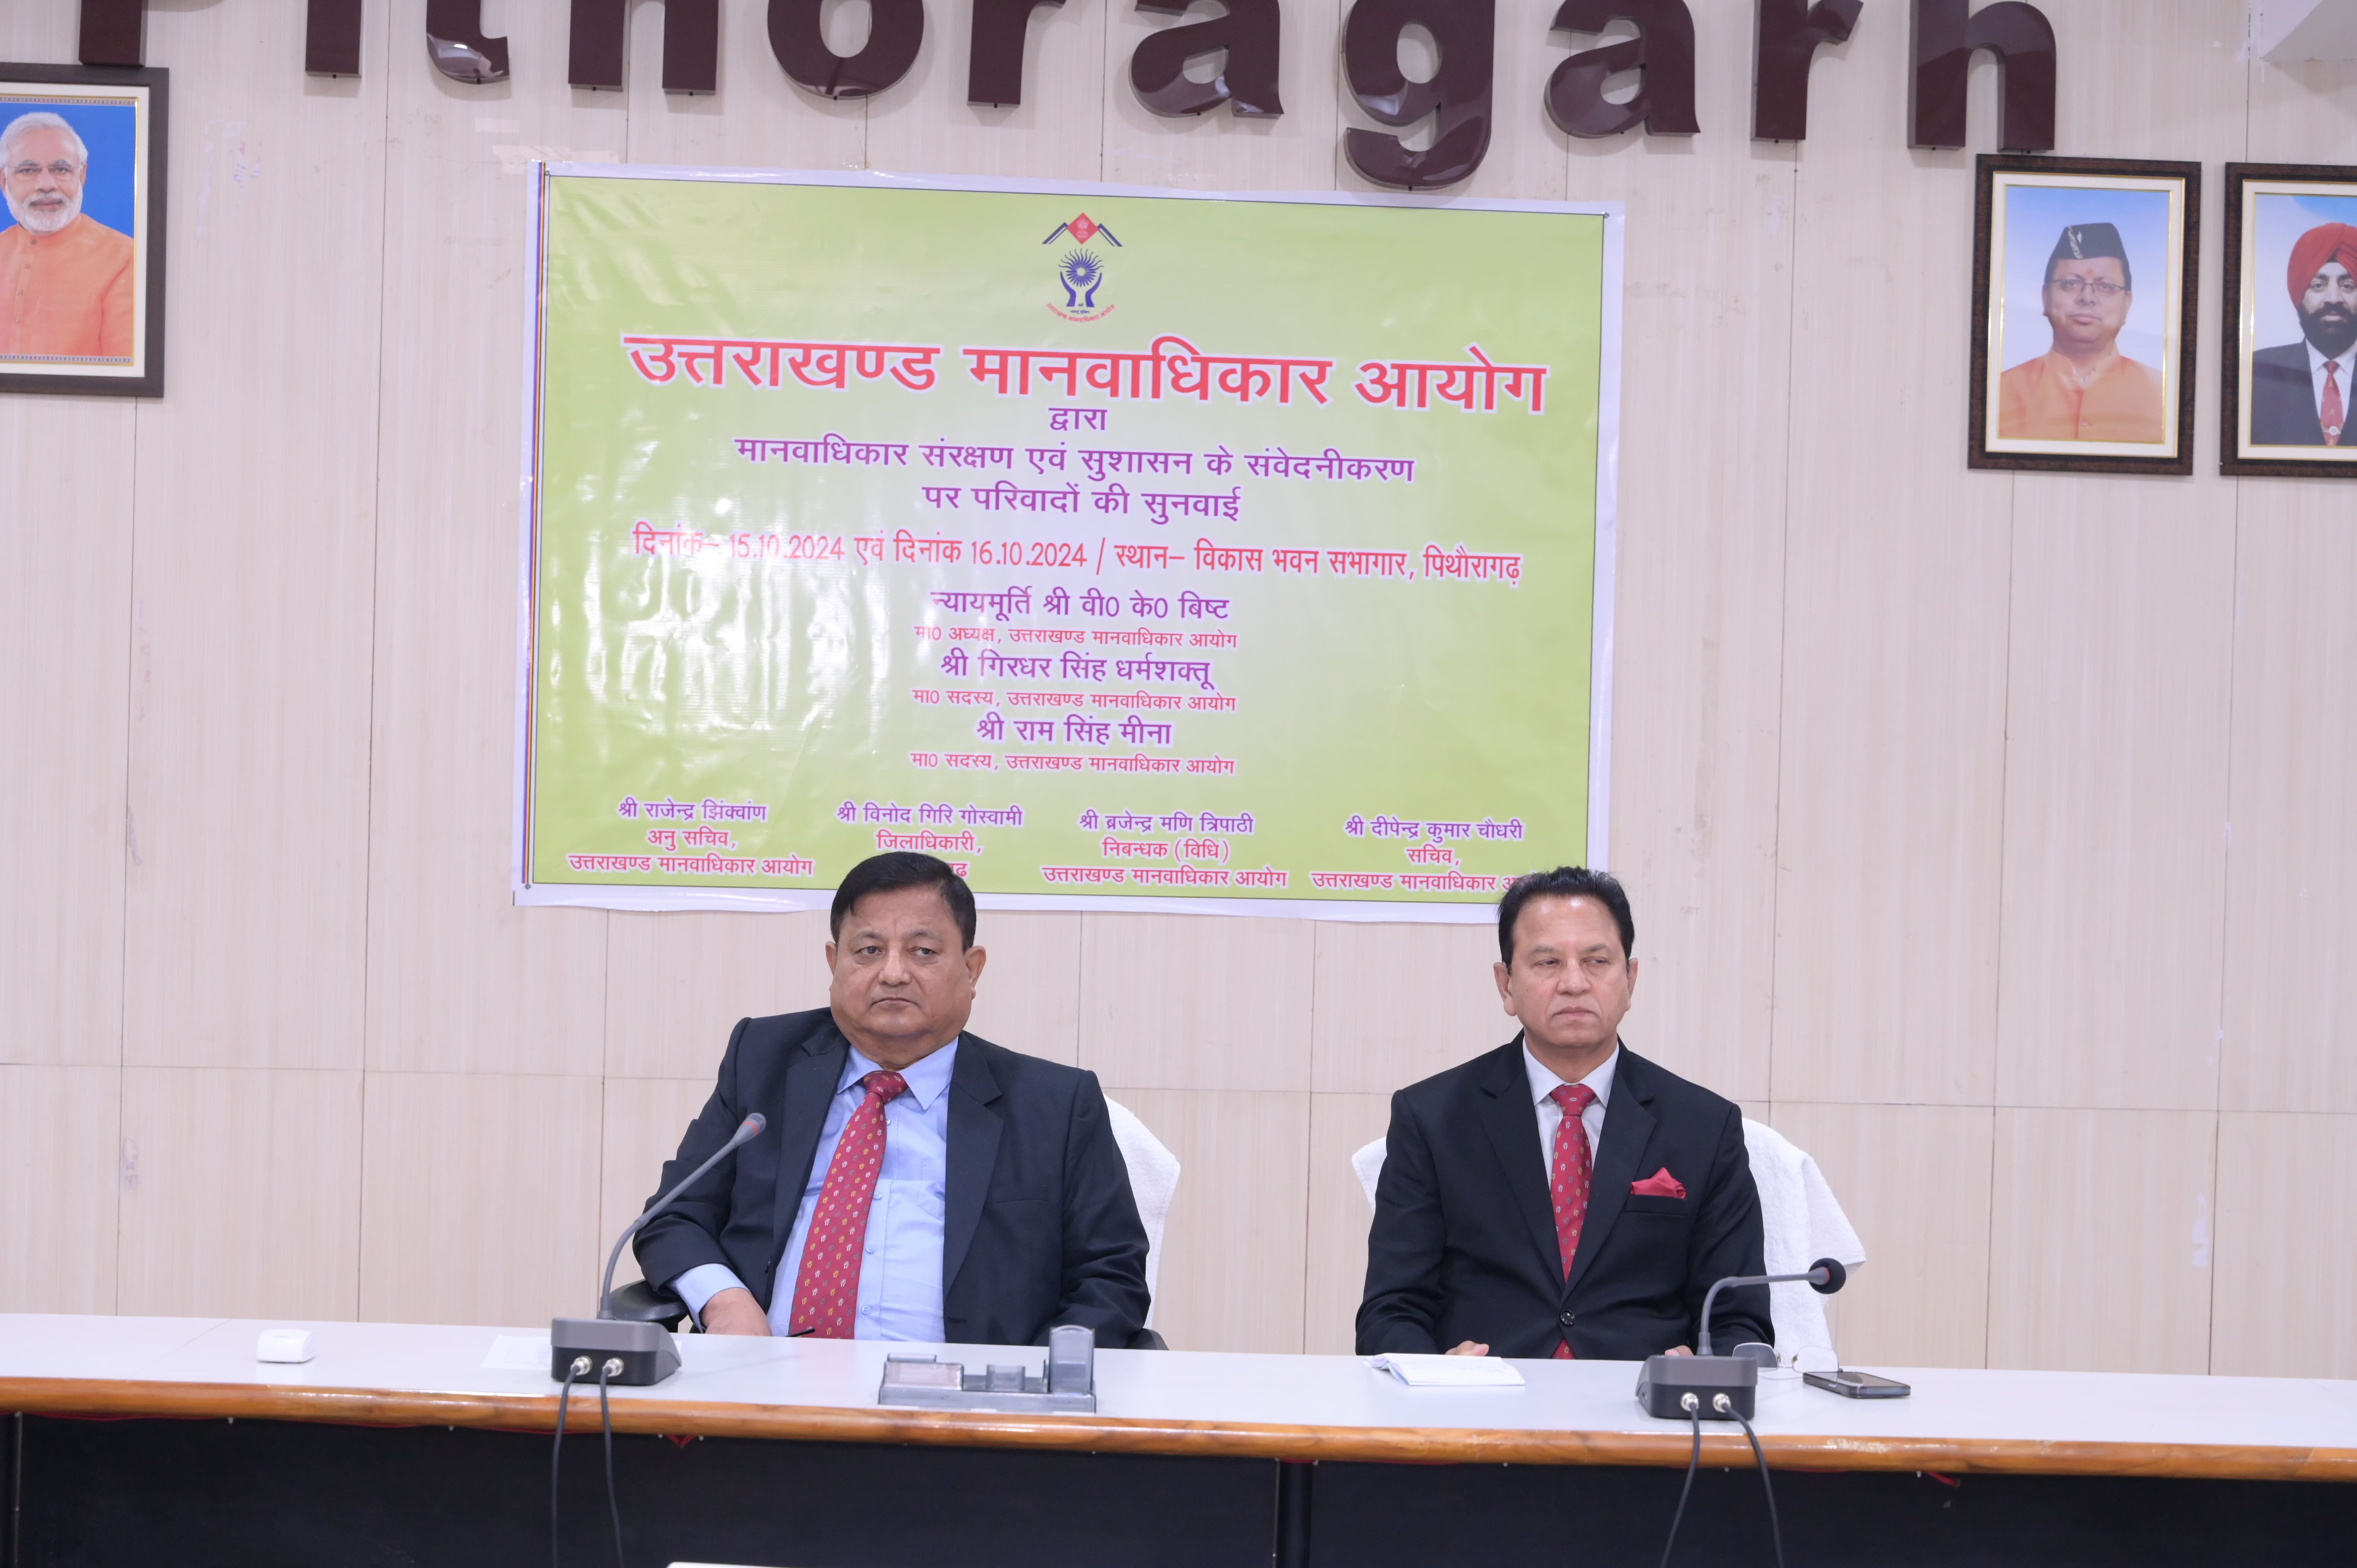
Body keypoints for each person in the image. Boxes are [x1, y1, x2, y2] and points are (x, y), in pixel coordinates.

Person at [633, 851, 1151, 1347]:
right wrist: (725, 1302)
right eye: (869, 951)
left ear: (972, 969)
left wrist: (1031, 1380)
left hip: (962, 1397)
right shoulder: (763, 1061)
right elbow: (674, 1217)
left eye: (923, 951)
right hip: (763, 1381)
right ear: (835, 962)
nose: (894, 973)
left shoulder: (1054, 1105)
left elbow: (1110, 1278)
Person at [1357, 866, 1770, 1361]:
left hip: (1643, 1398)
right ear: (1506, 985)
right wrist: (1432, 1376)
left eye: (1597, 961)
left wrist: (1704, 1374)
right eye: (1548, 962)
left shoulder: (1705, 1126)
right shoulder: (1433, 1118)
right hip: (1483, 1394)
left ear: (1630, 979)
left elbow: (1738, 1317)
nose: (1574, 983)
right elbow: (1390, 1311)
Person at [1996, 221, 2165, 444]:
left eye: (2106, 287)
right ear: (2045, 298)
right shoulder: (1999, 393)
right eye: (2070, 284)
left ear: (2127, 303)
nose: (2087, 298)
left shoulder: (2164, 396)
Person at [0, 111, 134, 361]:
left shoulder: (125, 259)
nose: (46, 184)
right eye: (28, 170)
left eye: (60, 169)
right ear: (4, 180)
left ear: (81, 176)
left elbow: (125, 375)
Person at [2249, 221, 2357, 448]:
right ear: (2299, 294)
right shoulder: (2256, 373)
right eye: (2318, 285)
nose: (2334, 299)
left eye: (2348, 285)